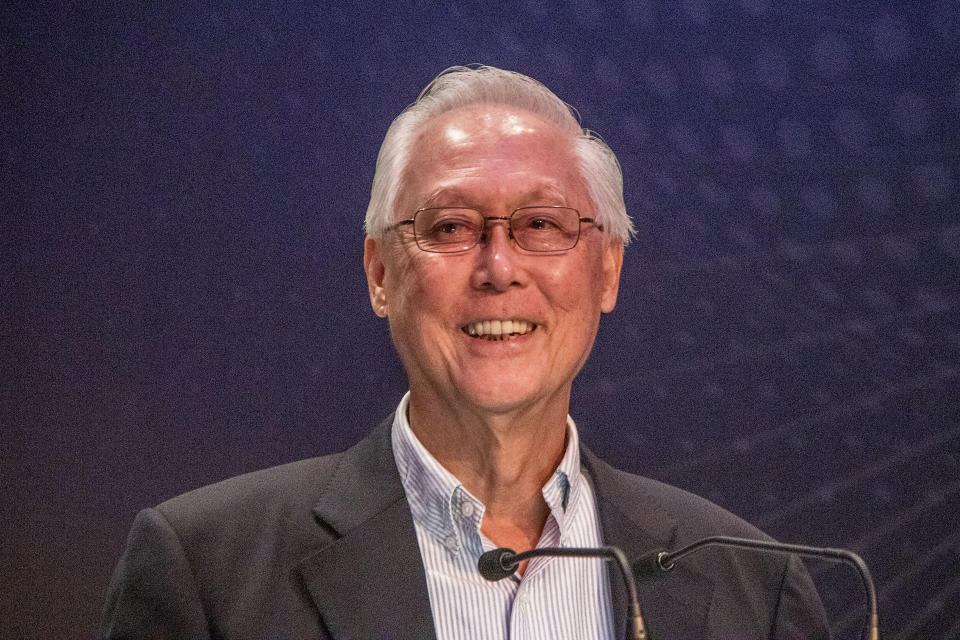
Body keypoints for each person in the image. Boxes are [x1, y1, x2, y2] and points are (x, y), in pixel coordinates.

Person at [103, 65, 829, 639]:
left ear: (607, 270)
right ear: (380, 273)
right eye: (450, 228)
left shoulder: (750, 585)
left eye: (542, 224)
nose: (498, 266)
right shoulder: (208, 572)